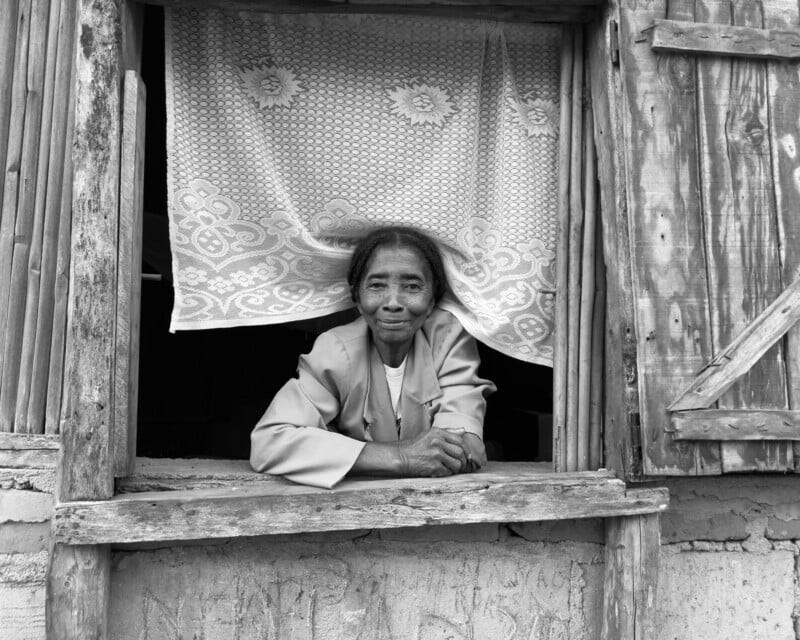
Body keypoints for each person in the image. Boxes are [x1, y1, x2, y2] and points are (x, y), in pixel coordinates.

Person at [250, 226, 496, 488]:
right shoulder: (335, 350)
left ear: (432, 301)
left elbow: (465, 444)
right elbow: (270, 441)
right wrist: (402, 457)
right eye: (377, 286)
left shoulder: (447, 339)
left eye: (412, 287)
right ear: (357, 298)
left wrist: (338, 449)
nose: (393, 302)